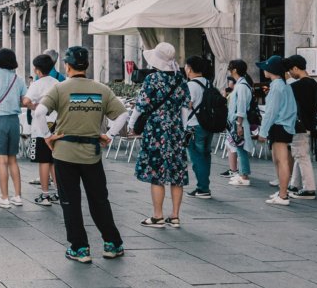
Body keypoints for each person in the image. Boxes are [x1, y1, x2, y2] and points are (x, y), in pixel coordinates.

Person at [33, 46, 128, 263]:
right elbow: (122, 115)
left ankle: (80, 248)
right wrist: (109, 135)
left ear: (67, 66)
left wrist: (47, 136)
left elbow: (39, 112)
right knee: (99, 200)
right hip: (91, 153)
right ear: (86, 65)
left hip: (64, 153)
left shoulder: (59, 88)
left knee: (70, 202)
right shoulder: (101, 89)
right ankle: (112, 244)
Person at [128, 42, 190, 228]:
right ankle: (175, 216)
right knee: (177, 173)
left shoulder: (152, 78)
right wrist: (183, 129)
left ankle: (157, 216)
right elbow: (185, 108)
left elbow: (141, 105)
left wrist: (131, 124)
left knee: (157, 172)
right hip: (176, 129)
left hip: (156, 129)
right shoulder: (181, 79)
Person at [0, 48, 27, 209]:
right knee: (13, 159)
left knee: (1, 160)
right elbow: (24, 100)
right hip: (14, 120)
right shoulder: (18, 79)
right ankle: (18, 196)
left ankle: (4, 197)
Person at [256, 55, 297, 205]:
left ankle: (283, 195)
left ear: (271, 70)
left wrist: (263, 132)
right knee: (280, 160)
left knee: (281, 160)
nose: (264, 70)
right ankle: (282, 192)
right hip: (284, 126)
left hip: (279, 126)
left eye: (266, 67)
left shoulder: (277, 86)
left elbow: (271, 112)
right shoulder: (283, 85)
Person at [23, 54, 60, 206]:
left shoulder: (36, 84)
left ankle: (45, 195)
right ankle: (59, 193)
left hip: (40, 127)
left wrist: (34, 106)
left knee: (44, 161)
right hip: (56, 125)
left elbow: (26, 101)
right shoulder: (57, 83)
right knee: (54, 161)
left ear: (37, 70)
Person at [284, 55, 317, 200]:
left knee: (302, 156)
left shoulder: (297, 86)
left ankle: (309, 189)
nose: (290, 74)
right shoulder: (313, 83)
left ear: (295, 68)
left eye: (290, 71)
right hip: (310, 124)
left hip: (300, 125)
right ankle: (295, 184)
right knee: (299, 154)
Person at [183, 56, 214, 199]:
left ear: (189, 69)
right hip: (208, 125)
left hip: (194, 126)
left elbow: (187, 105)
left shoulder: (190, 85)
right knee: (206, 156)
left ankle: (203, 188)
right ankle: (204, 186)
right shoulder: (208, 83)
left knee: (197, 158)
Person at [225, 61, 255, 186]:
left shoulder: (242, 86)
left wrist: (239, 124)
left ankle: (244, 176)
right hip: (237, 121)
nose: (229, 70)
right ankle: (243, 173)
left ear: (235, 70)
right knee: (239, 148)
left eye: (230, 68)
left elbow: (241, 106)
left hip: (239, 121)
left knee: (241, 149)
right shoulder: (241, 84)